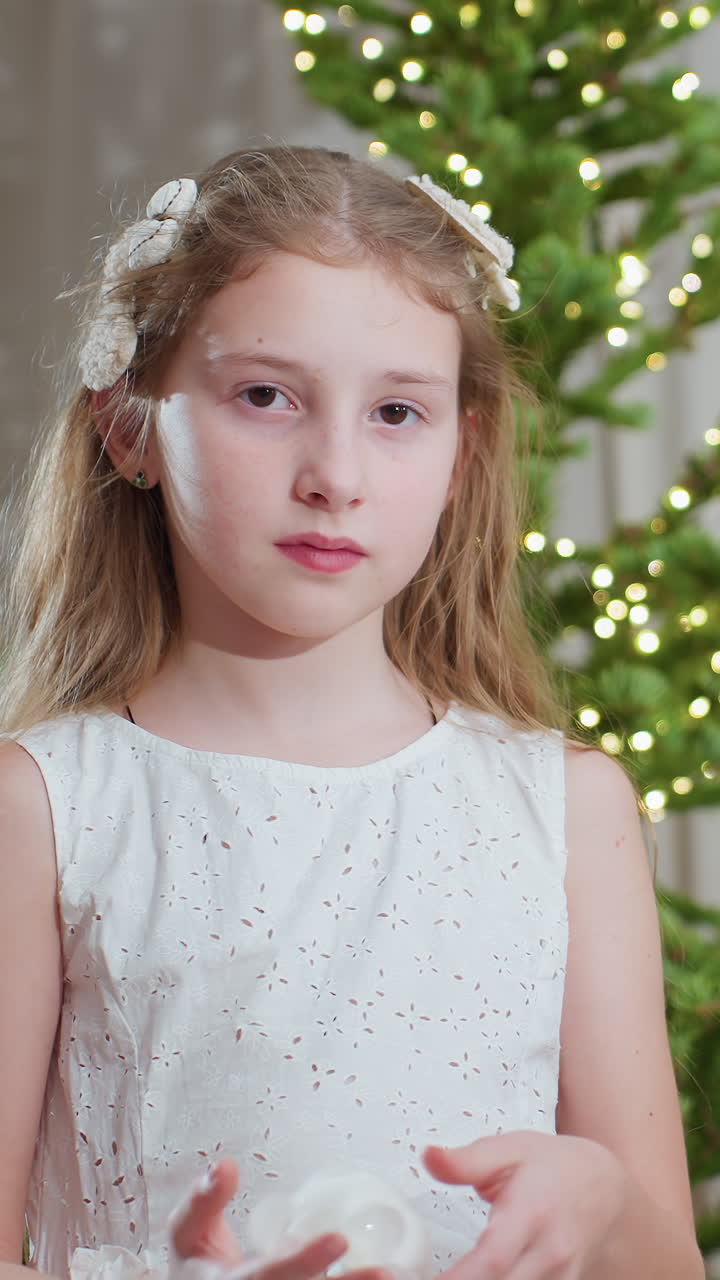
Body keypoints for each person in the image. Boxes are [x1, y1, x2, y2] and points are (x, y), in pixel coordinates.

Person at [0, 145, 703, 1280]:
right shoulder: (44, 808)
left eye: (396, 411)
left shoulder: (567, 807)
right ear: (130, 426)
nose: (335, 471)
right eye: (266, 396)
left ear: (462, 452)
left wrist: (609, 1202)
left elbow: (665, 1261)